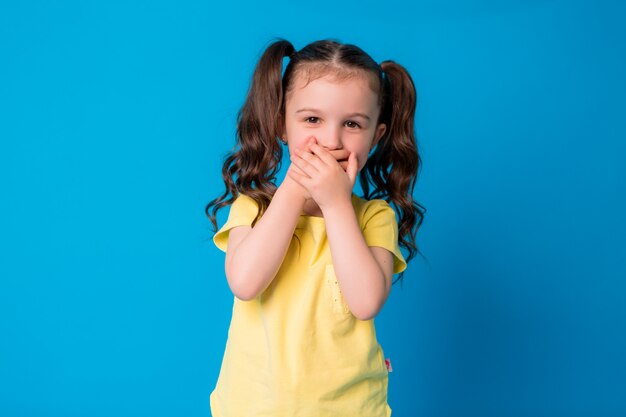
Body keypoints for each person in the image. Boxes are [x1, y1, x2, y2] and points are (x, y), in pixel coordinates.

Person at [204, 38, 426, 417]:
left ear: (376, 137)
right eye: (312, 120)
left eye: (352, 124)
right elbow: (245, 282)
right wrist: (293, 188)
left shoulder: (374, 217)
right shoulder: (253, 208)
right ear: (282, 125)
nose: (330, 140)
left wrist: (337, 204)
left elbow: (366, 302)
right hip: (254, 407)